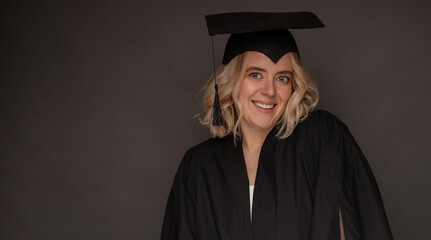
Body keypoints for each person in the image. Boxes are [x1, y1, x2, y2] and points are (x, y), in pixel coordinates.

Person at [161, 12, 393, 240]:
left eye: (282, 78)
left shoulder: (321, 138)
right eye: (255, 75)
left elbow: (351, 227)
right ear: (231, 81)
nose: (270, 91)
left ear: (294, 86)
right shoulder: (198, 167)